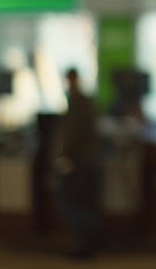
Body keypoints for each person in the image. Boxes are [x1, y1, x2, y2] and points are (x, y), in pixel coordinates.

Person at [53, 68, 103, 258]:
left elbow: (72, 135)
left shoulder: (77, 102)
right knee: (84, 204)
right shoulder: (83, 101)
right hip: (88, 161)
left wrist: (63, 157)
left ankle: (83, 245)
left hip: (79, 162)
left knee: (72, 204)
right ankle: (89, 242)